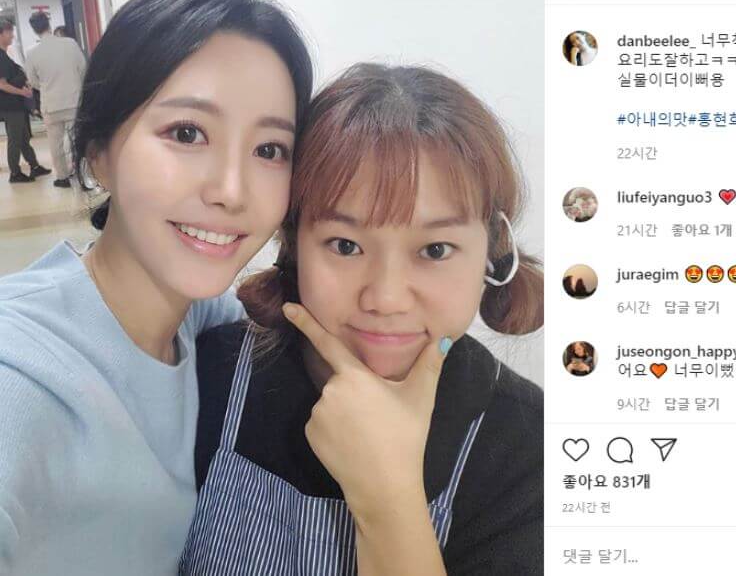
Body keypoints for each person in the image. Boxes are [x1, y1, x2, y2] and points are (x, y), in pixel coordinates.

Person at [0, 0, 314, 575]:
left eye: (269, 149)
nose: (231, 191)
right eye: (187, 133)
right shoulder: (25, 371)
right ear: (99, 151)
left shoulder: (200, 318)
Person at [186, 64, 544, 575]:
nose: (386, 299)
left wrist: (387, 500)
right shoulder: (211, 373)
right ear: (293, 243)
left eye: (435, 250)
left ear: (492, 249)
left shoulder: (531, 448)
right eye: (345, 245)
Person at [26, 11, 87, 187]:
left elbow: (32, 81)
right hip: (73, 100)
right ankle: (83, 175)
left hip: (50, 104)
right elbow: (83, 68)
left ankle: (62, 177)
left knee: (55, 143)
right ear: (49, 24)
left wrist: (46, 86)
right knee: (77, 140)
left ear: (34, 30)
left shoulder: (32, 53)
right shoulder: (70, 44)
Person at [0, 18, 51, 183]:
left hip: (15, 105)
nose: (12, 36)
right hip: (10, 106)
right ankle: (15, 173)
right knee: (15, 140)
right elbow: (2, 84)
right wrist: (22, 92)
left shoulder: (5, 55)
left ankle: (34, 166)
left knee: (23, 138)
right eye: (9, 32)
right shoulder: (1, 57)